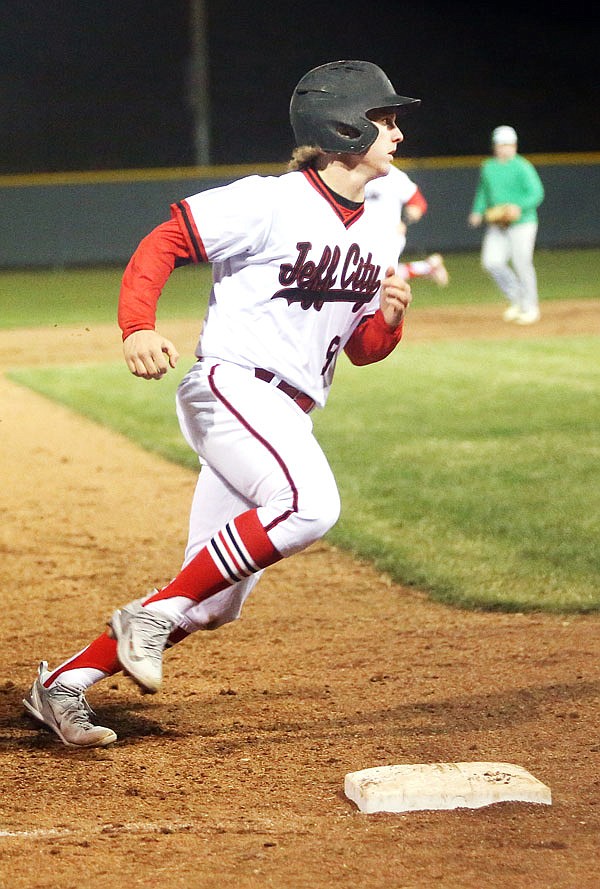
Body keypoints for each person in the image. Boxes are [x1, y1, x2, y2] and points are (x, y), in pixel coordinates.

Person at [23, 60, 422, 748]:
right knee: (311, 506)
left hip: (283, 412)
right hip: (233, 387)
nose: (398, 130)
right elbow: (166, 239)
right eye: (384, 119)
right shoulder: (271, 200)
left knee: (212, 601)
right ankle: (150, 615)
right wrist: (138, 325)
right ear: (342, 126)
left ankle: (61, 685)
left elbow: (360, 349)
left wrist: (388, 318)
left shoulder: (379, 232)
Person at [468, 125, 544, 324]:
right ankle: (517, 299)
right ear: (495, 146)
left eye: (508, 144)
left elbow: (537, 193)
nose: (504, 148)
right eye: (501, 144)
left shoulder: (522, 166)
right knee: (491, 262)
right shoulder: (488, 166)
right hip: (498, 224)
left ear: (515, 145)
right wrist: (477, 210)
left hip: (523, 223)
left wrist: (519, 206)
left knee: (522, 263)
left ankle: (530, 307)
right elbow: (483, 192)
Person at [367, 163, 449, 287]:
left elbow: (418, 203)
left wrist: (404, 221)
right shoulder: (354, 173)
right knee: (373, 277)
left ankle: (427, 267)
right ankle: (427, 267)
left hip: (389, 235)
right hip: (361, 235)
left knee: (375, 276)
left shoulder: (394, 176)